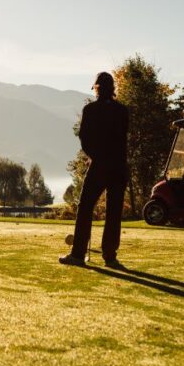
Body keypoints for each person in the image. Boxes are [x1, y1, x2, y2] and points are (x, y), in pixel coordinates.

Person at [60, 72, 128, 268]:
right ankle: (110, 256)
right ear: (112, 88)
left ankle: (78, 254)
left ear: (96, 88)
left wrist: (94, 157)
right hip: (119, 166)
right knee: (114, 211)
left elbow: (85, 140)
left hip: (100, 165)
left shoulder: (90, 110)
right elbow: (122, 139)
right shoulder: (122, 111)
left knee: (85, 207)